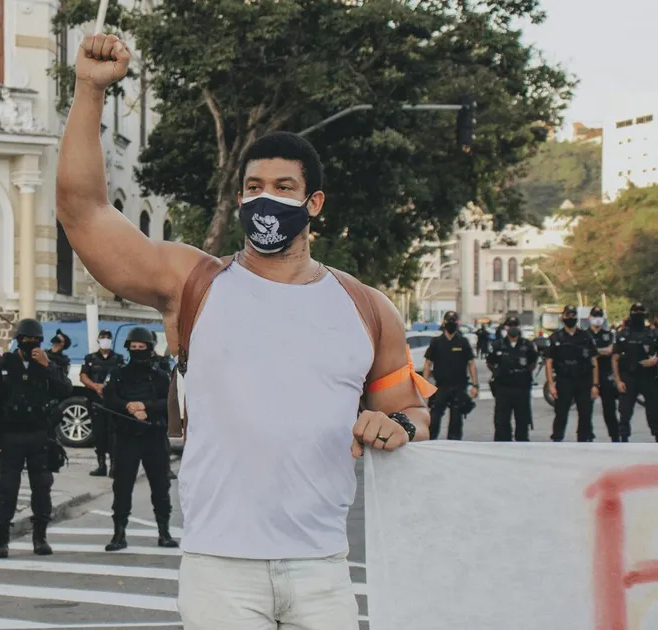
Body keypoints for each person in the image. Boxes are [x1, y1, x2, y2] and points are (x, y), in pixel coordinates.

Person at [55, 33, 429, 629]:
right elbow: (85, 213)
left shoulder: (368, 307)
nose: (265, 201)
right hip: (220, 569)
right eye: (254, 188)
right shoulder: (191, 283)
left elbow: (410, 409)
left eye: (284, 190)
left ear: (315, 203)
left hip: (323, 568)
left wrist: (397, 424)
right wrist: (89, 92)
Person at [0, 318, 73, 559]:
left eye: (34, 340)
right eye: (25, 340)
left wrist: (48, 366)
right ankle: (1, 540)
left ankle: (40, 537)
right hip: (9, 436)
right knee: (7, 489)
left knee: (42, 487)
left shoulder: (48, 364)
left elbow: (65, 389)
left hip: (39, 435)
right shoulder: (5, 363)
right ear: (17, 340)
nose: (29, 343)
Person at [102, 326, 179, 552]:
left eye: (141, 347)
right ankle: (119, 534)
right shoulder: (118, 374)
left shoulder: (160, 376)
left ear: (150, 349)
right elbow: (109, 399)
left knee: (160, 487)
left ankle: (164, 532)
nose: (137, 351)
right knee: (122, 487)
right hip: (126, 439)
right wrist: (129, 407)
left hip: (153, 437)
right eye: (133, 347)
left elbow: (169, 403)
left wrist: (146, 406)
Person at [546, 304, 600, 442]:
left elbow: (594, 361)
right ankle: (557, 439)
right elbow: (549, 362)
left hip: (583, 379)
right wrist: (551, 385)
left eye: (573, 315)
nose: (571, 317)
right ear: (563, 317)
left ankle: (583, 440)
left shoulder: (585, 336)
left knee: (585, 413)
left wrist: (595, 384)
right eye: (568, 315)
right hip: (564, 380)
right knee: (561, 413)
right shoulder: (556, 338)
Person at [423, 311, 479, 440]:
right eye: (449, 321)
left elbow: (471, 364)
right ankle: (430, 443)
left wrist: (475, 385)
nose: (451, 324)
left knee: (456, 421)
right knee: (435, 418)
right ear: (444, 323)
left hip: (459, 387)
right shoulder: (436, 342)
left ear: (457, 324)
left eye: (454, 321)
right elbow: (428, 364)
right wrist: (425, 383)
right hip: (441, 386)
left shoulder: (463, 342)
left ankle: (454, 444)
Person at [81, 329, 125, 477]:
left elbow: (122, 376)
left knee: (113, 435)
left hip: (112, 403)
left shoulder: (118, 358)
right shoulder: (90, 358)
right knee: (98, 434)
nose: (105, 340)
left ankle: (114, 466)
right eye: (103, 337)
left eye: (108, 337)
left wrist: (107, 387)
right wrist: (95, 386)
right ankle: (101, 466)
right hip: (95, 402)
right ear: (98, 340)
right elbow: (83, 375)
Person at [486, 317, 538, 442]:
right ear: (506, 327)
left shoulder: (528, 345)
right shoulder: (497, 345)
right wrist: (498, 372)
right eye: (510, 325)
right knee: (501, 421)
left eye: (515, 325)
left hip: (522, 387)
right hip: (503, 388)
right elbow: (490, 362)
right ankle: (503, 445)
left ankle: (522, 445)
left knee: (523, 420)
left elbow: (533, 363)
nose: (513, 327)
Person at [613, 303, 658, 442]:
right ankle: (624, 440)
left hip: (649, 377)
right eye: (635, 311)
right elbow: (615, 358)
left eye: (641, 311)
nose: (638, 314)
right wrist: (618, 380)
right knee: (625, 412)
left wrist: (656, 359)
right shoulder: (623, 334)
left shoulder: (653, 333)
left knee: (654, 413)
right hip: (629, 377)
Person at [588, 307, 622, 442]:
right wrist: (599, 351)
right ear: (589, 318)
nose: (597, 318)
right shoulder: (584, 334)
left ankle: (615, 437)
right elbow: (587, 353)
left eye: (600, 316)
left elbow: (610, 351)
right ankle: (587, 436)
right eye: (595, 315)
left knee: (609, 409)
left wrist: (595, 351)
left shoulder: (609, 334)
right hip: (588, 375)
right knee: (586, 410)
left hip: (606, 374)